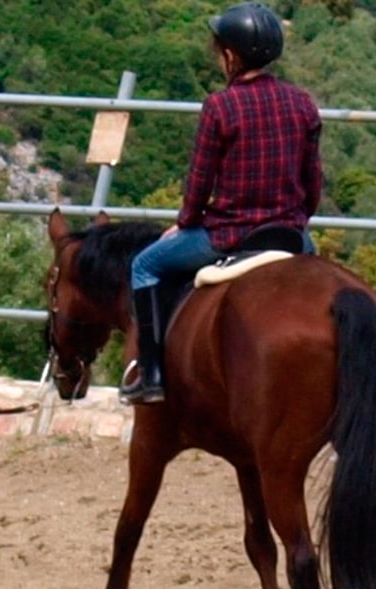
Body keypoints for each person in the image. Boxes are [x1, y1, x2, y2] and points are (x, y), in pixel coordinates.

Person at [120, 1, 323, 405]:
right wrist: (297, 220)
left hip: (227, 236)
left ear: (230, 55)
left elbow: (199, 183)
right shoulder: (303, 103)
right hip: (289, 237)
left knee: (143, 265)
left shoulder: (220, 106)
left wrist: (186, 221)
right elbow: (313, 182)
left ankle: (153, 374)